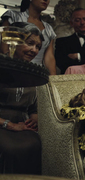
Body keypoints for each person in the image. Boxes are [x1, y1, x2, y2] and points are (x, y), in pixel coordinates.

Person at [0, 22, 43, 174]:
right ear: (15, 41)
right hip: (2, 124)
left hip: (22, 126)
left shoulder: (33, 73)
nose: (34, 50)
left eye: (38, 46)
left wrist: (35, 119)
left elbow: (33, 108)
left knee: (36, 143)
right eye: (30, 43)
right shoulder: (2, 65)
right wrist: (9, 124)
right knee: (9, 149)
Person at [1, 0, 57, 74]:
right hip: (13, 69)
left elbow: (49, 58)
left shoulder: (49, 29)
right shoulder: (13, 16)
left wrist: (54, 83)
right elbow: (4, 48)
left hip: (36, 73)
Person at [55, 8, 85, 74]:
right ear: (71, 23)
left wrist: (78, 56)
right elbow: (62, 64)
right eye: (78, 20)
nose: (82, 22)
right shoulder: (61, 42)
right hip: (69, 80)